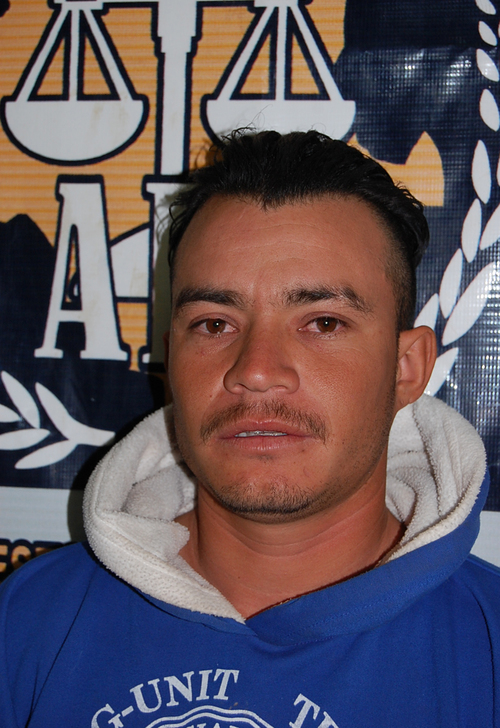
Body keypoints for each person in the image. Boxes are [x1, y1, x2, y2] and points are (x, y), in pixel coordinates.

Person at [0, 130, 498, 727]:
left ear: (405, 368)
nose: (256, 371)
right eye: (214, 324)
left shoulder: (487, 643)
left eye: (323, 322)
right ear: (171, 362)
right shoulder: (27, 622)